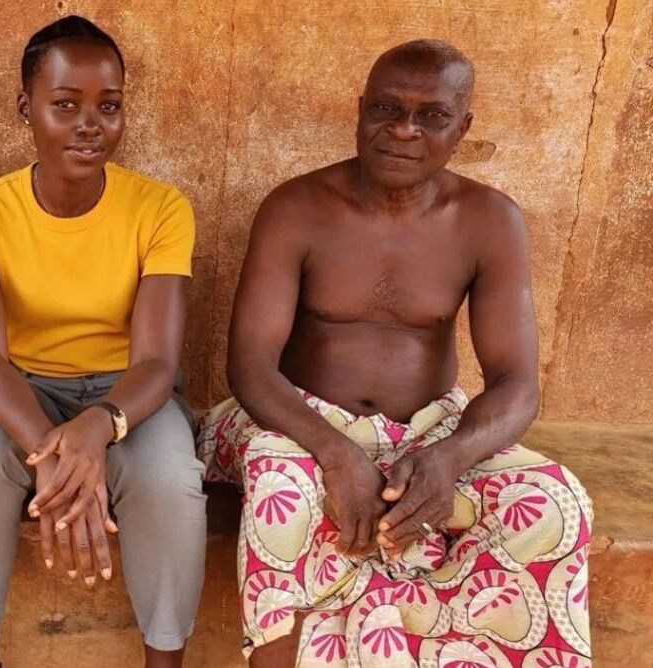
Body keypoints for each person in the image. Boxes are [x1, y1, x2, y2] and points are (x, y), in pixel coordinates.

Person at [198, 39, 593, 668]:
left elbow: (517, 381)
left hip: (430, 430)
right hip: (294, 420)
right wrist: (334, 453)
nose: (403, 130)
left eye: (431, 115)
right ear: (360, 110)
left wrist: (451, 455)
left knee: (554, 502)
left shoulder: (489, 221)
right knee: (283, 493)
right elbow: (249, 365)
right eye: (385, 108)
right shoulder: (296, 208)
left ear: (463, 127)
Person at [0, 15, 207, 668]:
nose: (90, 124)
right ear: (25, 107)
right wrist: (51, 454)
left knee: (171, 478)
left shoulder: (160, 210)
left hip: (128, 399)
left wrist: (99, 427)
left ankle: (164, 659)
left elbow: (156, 360)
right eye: (65, 105)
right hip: (19, 393)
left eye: (108, 106)